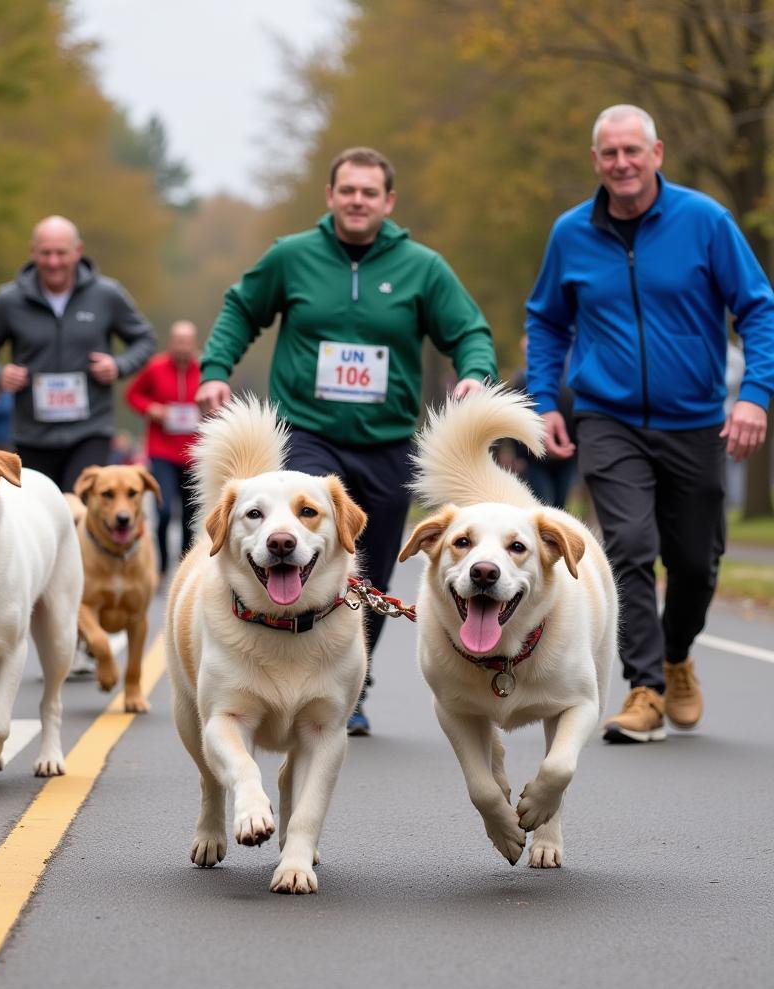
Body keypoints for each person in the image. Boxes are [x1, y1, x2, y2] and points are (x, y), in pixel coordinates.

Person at [196, 146, 497, 736]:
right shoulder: (292, 257)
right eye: (347, 190)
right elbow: (240, 308)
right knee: (307, 545)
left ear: (388, 202)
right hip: (307, 435)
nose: (357, 200)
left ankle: (350, 681)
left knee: (373, 571)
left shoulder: (422, 267)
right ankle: (287, 666)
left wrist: (474, 371)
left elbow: (469, 329)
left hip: (387, 443)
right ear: (331, 197)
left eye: (369, 192)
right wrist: (215, 368)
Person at [525, 104, 774, 745]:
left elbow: (758, 308)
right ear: (596, 162)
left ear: (657, 153)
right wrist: (547, 402)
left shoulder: (706, 222)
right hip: (607, 418)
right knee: (629, 545)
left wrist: (754, 395)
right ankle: (645, 690)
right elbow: (547, 320)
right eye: (610, 153)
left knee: (695, 561)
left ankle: (677, 654)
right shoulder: (571, 233)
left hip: (694, 419)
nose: (622, 163)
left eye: (633, 151)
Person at [0, 215, 157, 492]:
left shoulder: (107, 295)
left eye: (61, 253)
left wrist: (118, 365)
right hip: (32, 433)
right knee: (40, 512)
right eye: (46, 253)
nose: (53, 262)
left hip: (90, 429)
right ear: (33, 253)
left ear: (77, 251)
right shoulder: (9, 300)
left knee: (77, 508)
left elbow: (144, 339)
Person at [126, 319, 201, 573]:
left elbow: (219, 403)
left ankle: (185, 565)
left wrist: (208, 413)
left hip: (194, 454)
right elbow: (133, 395)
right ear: (171, 342)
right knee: (165, 510)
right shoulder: (155, 368)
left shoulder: (204, 370)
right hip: (162, 452)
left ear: (194, 344)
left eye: (187, 342)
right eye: (179, 341)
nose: (183, 347)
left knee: (191, 518)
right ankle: (159, 565)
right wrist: (152, 410)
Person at [510, 333, 578, 508]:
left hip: (567, 455)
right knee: (541, 503)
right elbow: (513, 421)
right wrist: (518, 456)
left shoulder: (567, 378)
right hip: (535, 456)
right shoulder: (520, 381)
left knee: (561, 504)